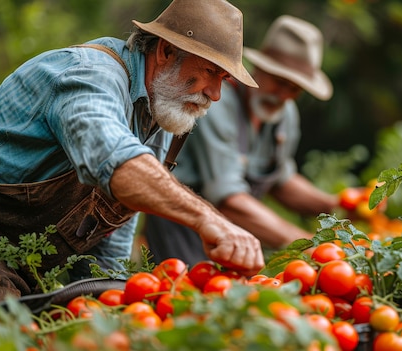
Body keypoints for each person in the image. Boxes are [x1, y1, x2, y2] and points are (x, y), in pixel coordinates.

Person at [0, 0, 265, 301]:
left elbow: (113, 232)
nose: (215, 95)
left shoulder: (157, 112)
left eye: (223, 79)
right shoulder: (90, 76)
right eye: (210, 71)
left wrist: (107, 302)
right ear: (165, 52)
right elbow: (118, 163)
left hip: (15, 260)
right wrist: (208, 219)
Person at [143, 15, 341, 266]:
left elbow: (282, 179)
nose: (283, 96)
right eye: (279, 82)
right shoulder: (216, 104)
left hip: (237, 237)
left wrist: (335, 205)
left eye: (294, 89)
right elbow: (230, 200)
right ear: (259, 67)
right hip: (182, 230)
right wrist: (309, 245)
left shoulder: (284, 114)